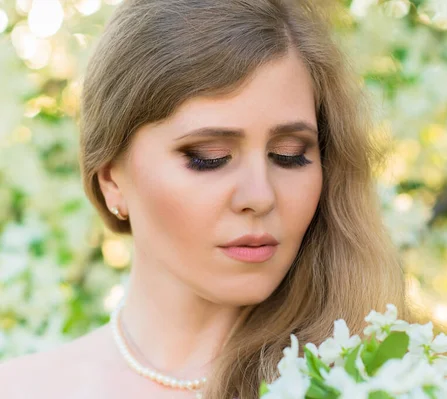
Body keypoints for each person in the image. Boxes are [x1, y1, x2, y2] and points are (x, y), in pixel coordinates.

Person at [0, 0, 411, 398]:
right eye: (208, 158)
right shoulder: (20, 388)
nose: (259, 196)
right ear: (112, 181)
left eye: (289, 154)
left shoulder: (382, 381)